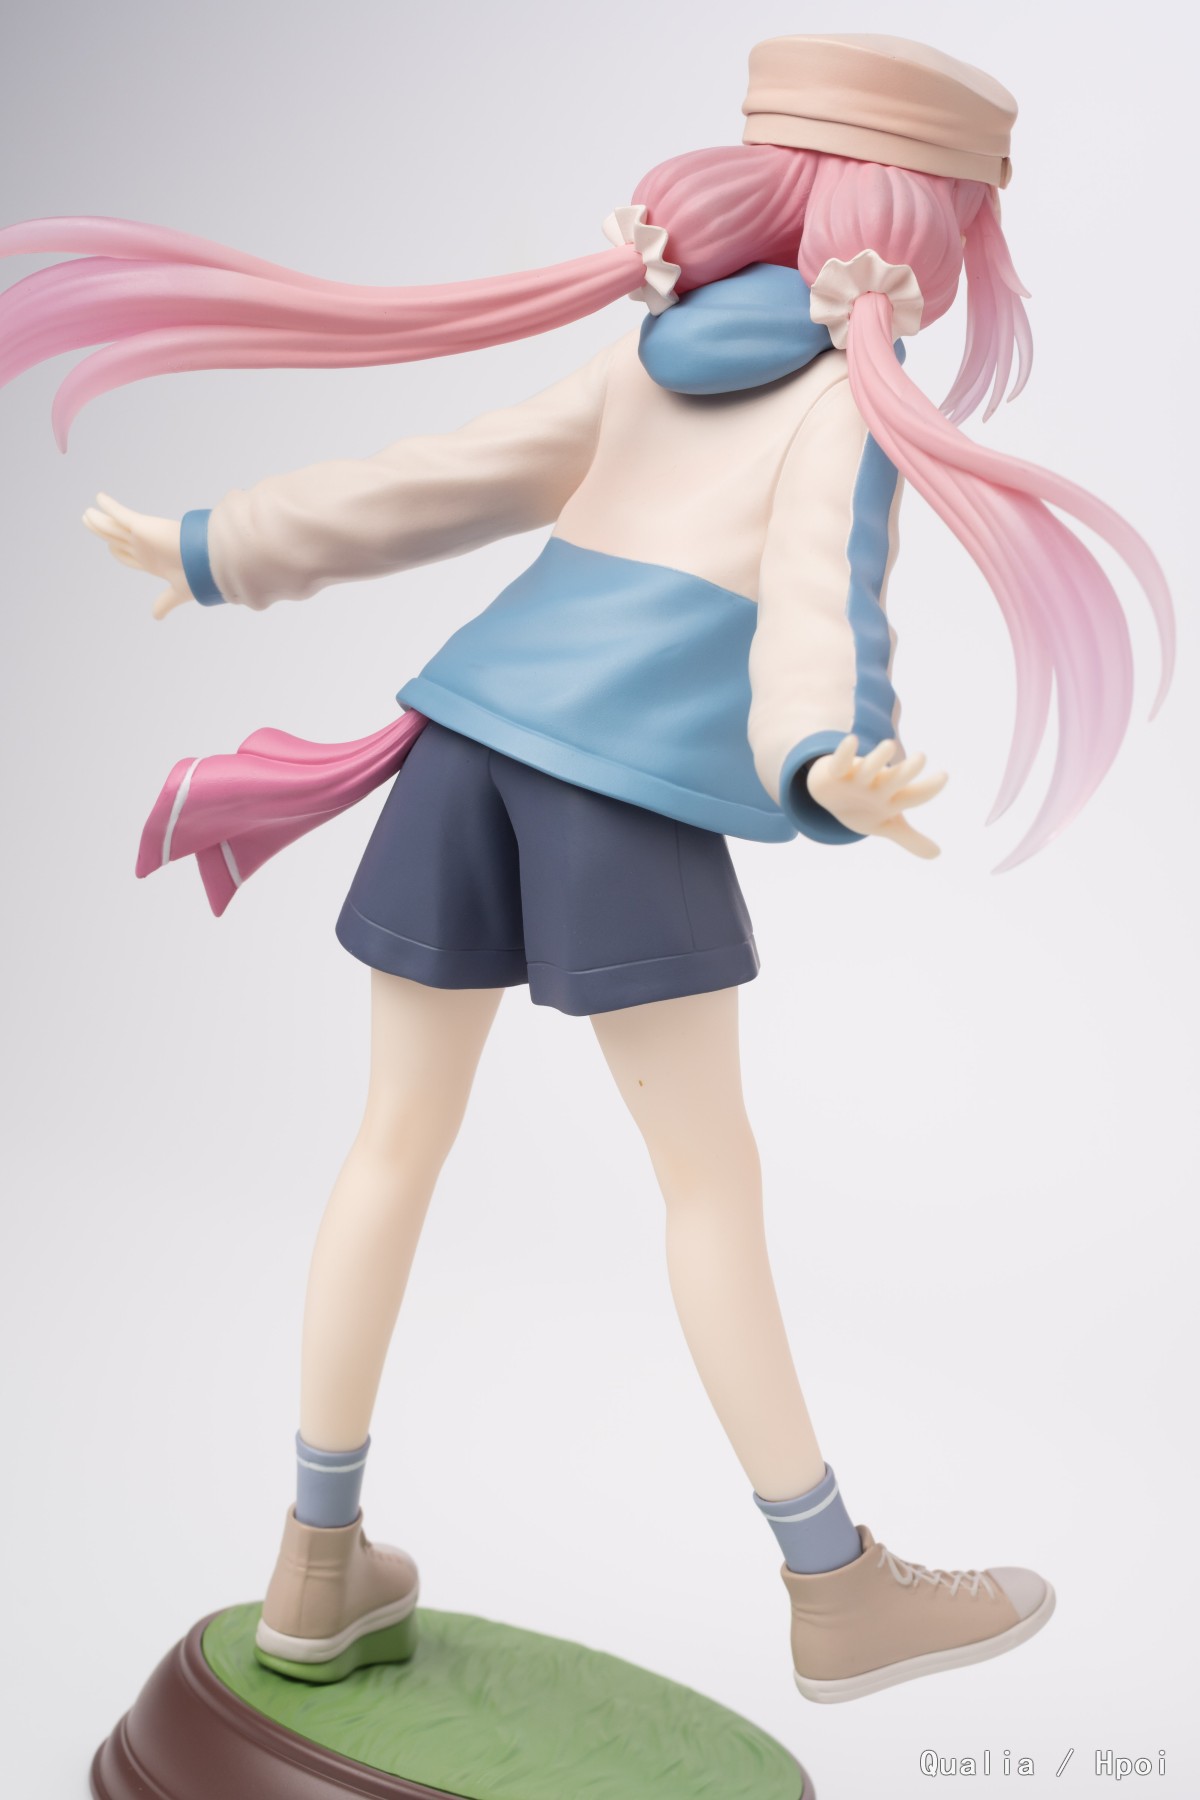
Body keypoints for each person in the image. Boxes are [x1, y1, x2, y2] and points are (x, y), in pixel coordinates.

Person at [0, 33, 1172, 1703]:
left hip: (459, 746)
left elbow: (447, 476)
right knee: (708, 1187)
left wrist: (222, 543)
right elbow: (817, 605)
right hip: (614, 797)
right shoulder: (845, 398)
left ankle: (316, 1562)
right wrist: (826, 756)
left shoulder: (656, 349)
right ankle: (833, 1585)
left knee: (389, 1143)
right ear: (935, 227)